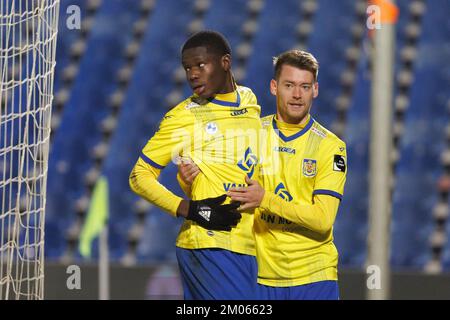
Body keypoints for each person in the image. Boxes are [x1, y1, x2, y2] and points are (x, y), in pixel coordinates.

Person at [179, 50, 347, 300]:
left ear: (316, 90)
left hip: (314, 277)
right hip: (261, 277)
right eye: (289, 85)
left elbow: (323, 219)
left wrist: (265, 199)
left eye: (305, 86)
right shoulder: (251, 133)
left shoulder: (331, 147)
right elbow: (226, 192)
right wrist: (190, 182)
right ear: (274, 87)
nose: (297, 94)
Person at [129, 30, 262, 300]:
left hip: (251, 244)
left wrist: (187, 182)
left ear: (225, 62)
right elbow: (139, 176)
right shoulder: (183, 117)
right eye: (187, 68)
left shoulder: (249, 100)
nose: (192, 74)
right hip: (209, 242)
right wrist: (190, 209)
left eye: (201, 65)